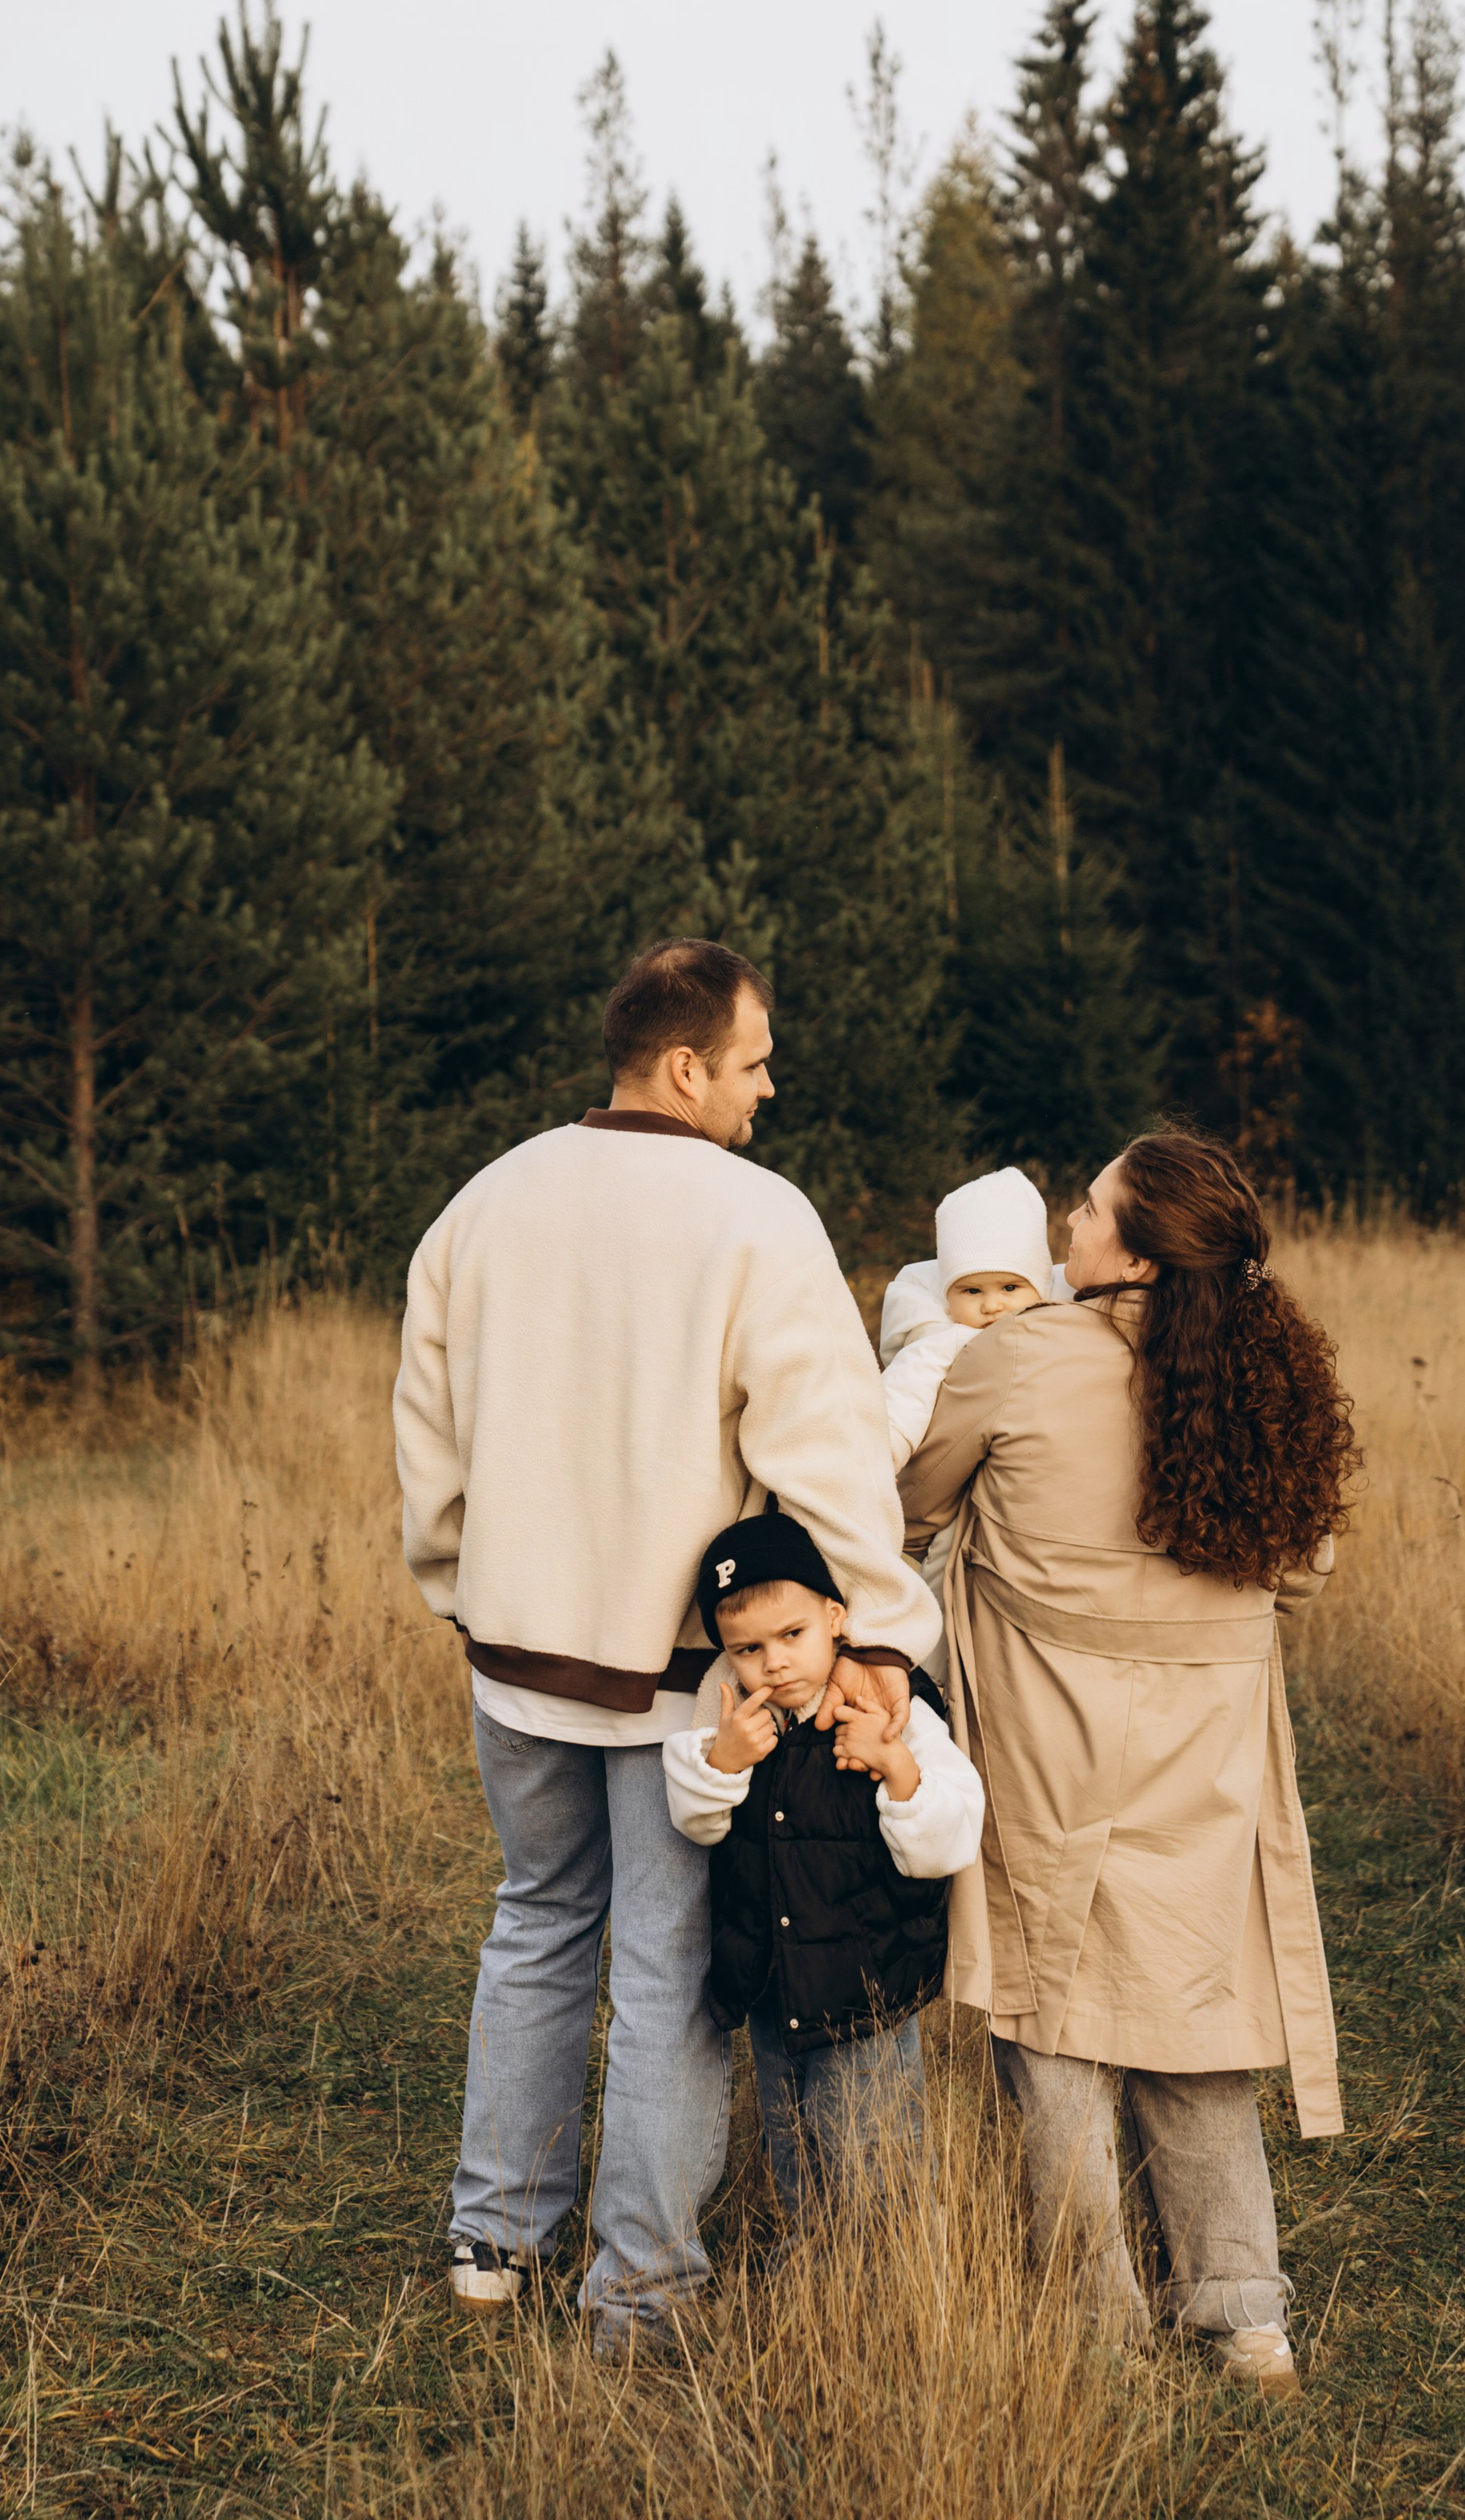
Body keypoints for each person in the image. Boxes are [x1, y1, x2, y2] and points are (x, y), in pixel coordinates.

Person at [396, 939, 939, 2350]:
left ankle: (491, 2240)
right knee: (665, 1968)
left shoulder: (481, 1206)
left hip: (512, 1660)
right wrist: (882, 1637)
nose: (771, 1088)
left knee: (533, 1923)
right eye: (755, 1062)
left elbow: (431, 1454)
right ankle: (638, 2290)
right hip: (669, 1687)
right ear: (687, 1064)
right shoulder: (757, 1222)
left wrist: (470, 1594)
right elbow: (826, 1464)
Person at [901, 1127, 1356, 2399]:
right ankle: (1243, 2310)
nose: (1067, 1225)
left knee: (1051, 2017)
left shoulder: (1018, 1357)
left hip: (1053, 1732)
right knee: (1190, 2005)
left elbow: (913, 1500)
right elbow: (1305, 1570)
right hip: (1208, 1741)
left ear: (1138, 1249)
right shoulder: (1268, 1372)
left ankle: (1095, 2317)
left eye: (1090, 1208)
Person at [661, 1509, 983, 2225]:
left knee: (875, 2156)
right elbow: (696, 1818)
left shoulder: (893, 1709)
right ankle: (810, 2274)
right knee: (796, 2147)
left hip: (866, 1983)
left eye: (792, 1635)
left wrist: (895, 1765)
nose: (773, 1661)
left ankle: (892, 2293)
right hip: (776, 1982)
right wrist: (724, 1763)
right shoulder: (730, 1718)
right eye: (747, 1648)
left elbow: (950, 1838)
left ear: (836, 1617)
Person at [878, 1167, 1060, 1467]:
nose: (991, 1306)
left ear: (1041, 1288)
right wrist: (886, 1455)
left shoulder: (1063, 1320)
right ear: (947, 1296)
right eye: (972, 1291)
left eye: (1010, 1288)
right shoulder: (942, 1344)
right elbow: (904, 1396)